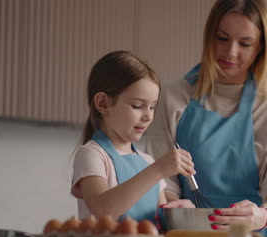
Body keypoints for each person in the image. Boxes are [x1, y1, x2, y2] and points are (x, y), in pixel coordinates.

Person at [145, 0, 267, 237]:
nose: (231, 52)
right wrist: (178, 207)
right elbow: (163, 182)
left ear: (262, 46)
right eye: (222, 39)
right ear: (209, 36)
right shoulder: (171, 96)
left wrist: (259, 216)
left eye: (245, 43)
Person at [71, 51, 195, 222]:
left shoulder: (148, 162)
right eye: (137, 106)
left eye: (152, 107)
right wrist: (158, 170)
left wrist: (178, 210)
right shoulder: (92, 154)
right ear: (103, 104)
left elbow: (159, 221)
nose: (148, 116)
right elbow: (102, 210)